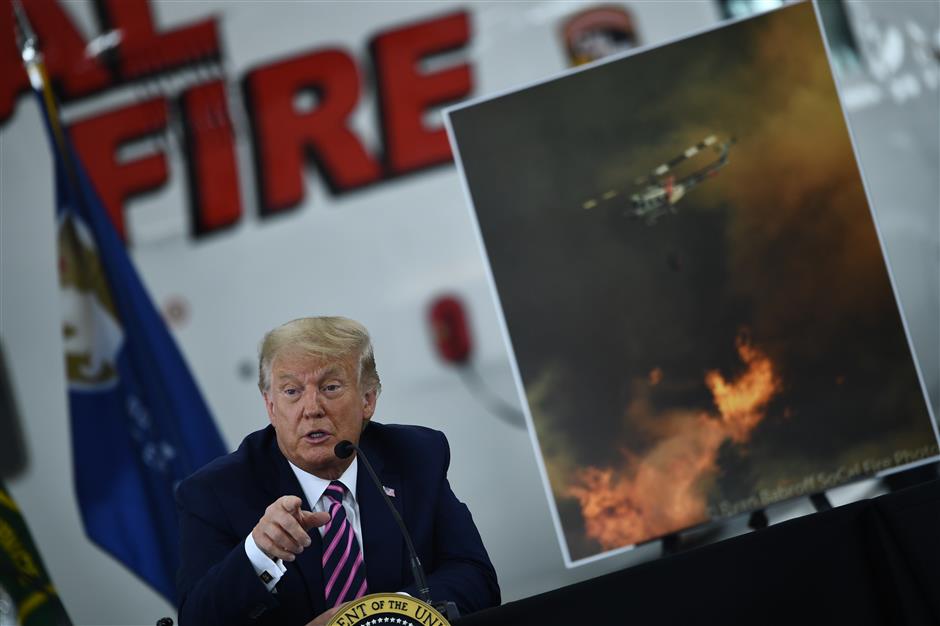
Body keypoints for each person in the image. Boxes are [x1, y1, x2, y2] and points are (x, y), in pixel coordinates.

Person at [176, 317, 500, 625]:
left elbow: (476, 577)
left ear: (367, 400)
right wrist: (258, 554)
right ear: (270, 406)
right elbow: (197, 621)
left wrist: (380, 617)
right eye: (292, 391)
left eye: (330, 387)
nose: (312, 408)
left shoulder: (415, 456)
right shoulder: (215, 492)